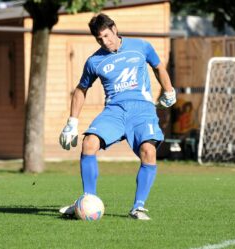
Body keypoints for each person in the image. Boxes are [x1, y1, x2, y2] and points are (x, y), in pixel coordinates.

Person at [58, 13, 176, 220]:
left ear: (114, 28)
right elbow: (80, 89)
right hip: (114, 111)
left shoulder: (141, 46)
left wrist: (169, 90)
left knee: (148, 150)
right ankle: (88, 200)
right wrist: (71, 123)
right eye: (99, 39)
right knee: (89, 143)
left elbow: (158, 67)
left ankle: (138, 207)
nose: (105, 42)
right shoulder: (94, 61)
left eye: (106, 35)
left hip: (142, 110)